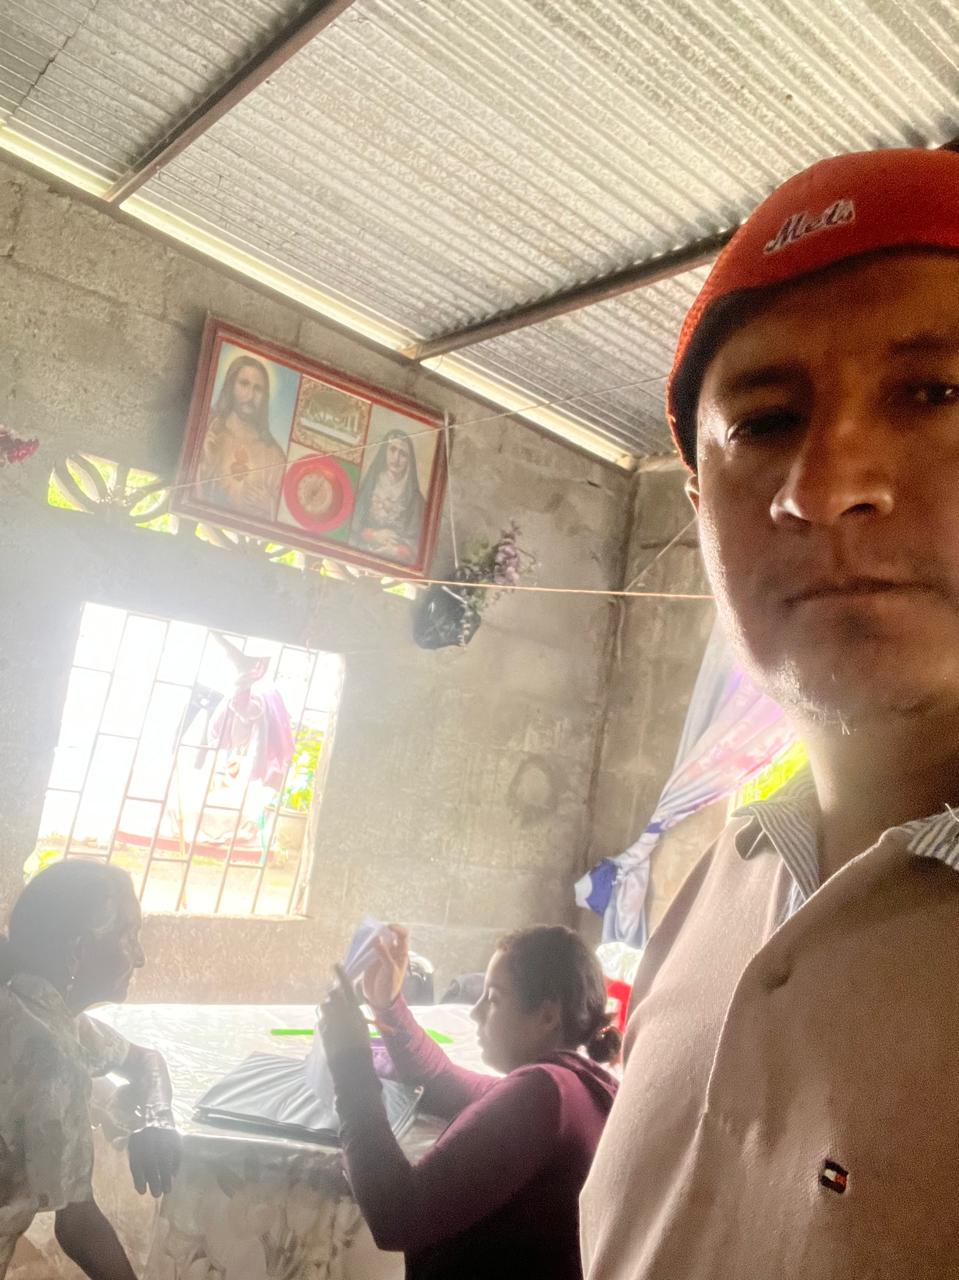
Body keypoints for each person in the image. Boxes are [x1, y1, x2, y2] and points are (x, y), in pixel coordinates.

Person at [580, 146, 959, 1279]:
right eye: (763, 420)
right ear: (698, 501)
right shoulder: (711, 895)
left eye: (935, 392)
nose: (823, 485)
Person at [320, 923, 619, 1279]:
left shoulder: (544, 1094)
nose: (475, 1012)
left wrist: (350, 1064)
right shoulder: (574, 1086)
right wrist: (388, 1005)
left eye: (493, 998)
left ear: (548, 1016)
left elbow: (397, 1215)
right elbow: (443, 1081)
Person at [0, 861, 181, 1280]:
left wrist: (158, 1118)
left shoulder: (31, 1005)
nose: (140, 958)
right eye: (128, 936)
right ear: (77, 952)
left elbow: (144, 1060)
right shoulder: (50, 1057)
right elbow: (79, 1226)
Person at [195, 354, 286, 520]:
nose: (250, 395)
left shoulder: (273, 454)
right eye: (244, 384)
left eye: (258, 389)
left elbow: (284, 515)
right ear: (231, 386)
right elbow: (191, 495)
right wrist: (207, 463)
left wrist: (270, 504)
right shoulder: (211, 433)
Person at [350, 429, 425, 564]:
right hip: (360, 554)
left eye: (403, 454)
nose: (396, 458)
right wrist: (373, 535)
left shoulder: (415, 500)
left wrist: (396, 551)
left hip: (393, 562)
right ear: (385, 451)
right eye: (392, 450)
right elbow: (350, 528)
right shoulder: (369, 487)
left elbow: (417, 547)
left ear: (409, 460)